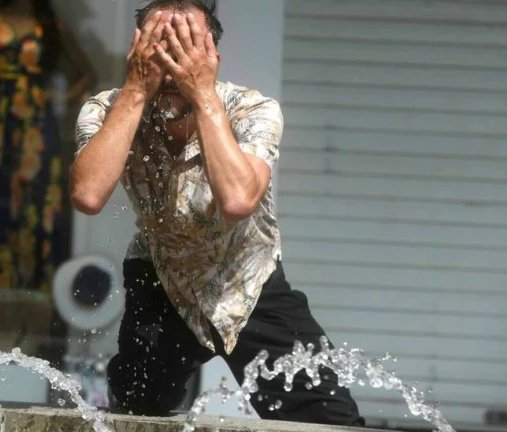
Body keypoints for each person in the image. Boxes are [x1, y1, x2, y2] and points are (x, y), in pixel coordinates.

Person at [71, 0, 364, 426]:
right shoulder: (107, 110)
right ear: (137, 53)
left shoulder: (252, 109)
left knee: (331, 419)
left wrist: (203, 94)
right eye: (159, 48)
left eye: (185, 48)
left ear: (211, 57)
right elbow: (87, 195)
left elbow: (238, 201)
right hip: (162, 278)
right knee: (132, 414)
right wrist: (135, 91)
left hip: (246, 280)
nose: (172, 68)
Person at [0, 0, 96, 290]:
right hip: (1, 123)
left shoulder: (51, 26)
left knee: (38, 200)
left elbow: (88, 74)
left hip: (38, 126)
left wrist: (59, 98)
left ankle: (37, 286)